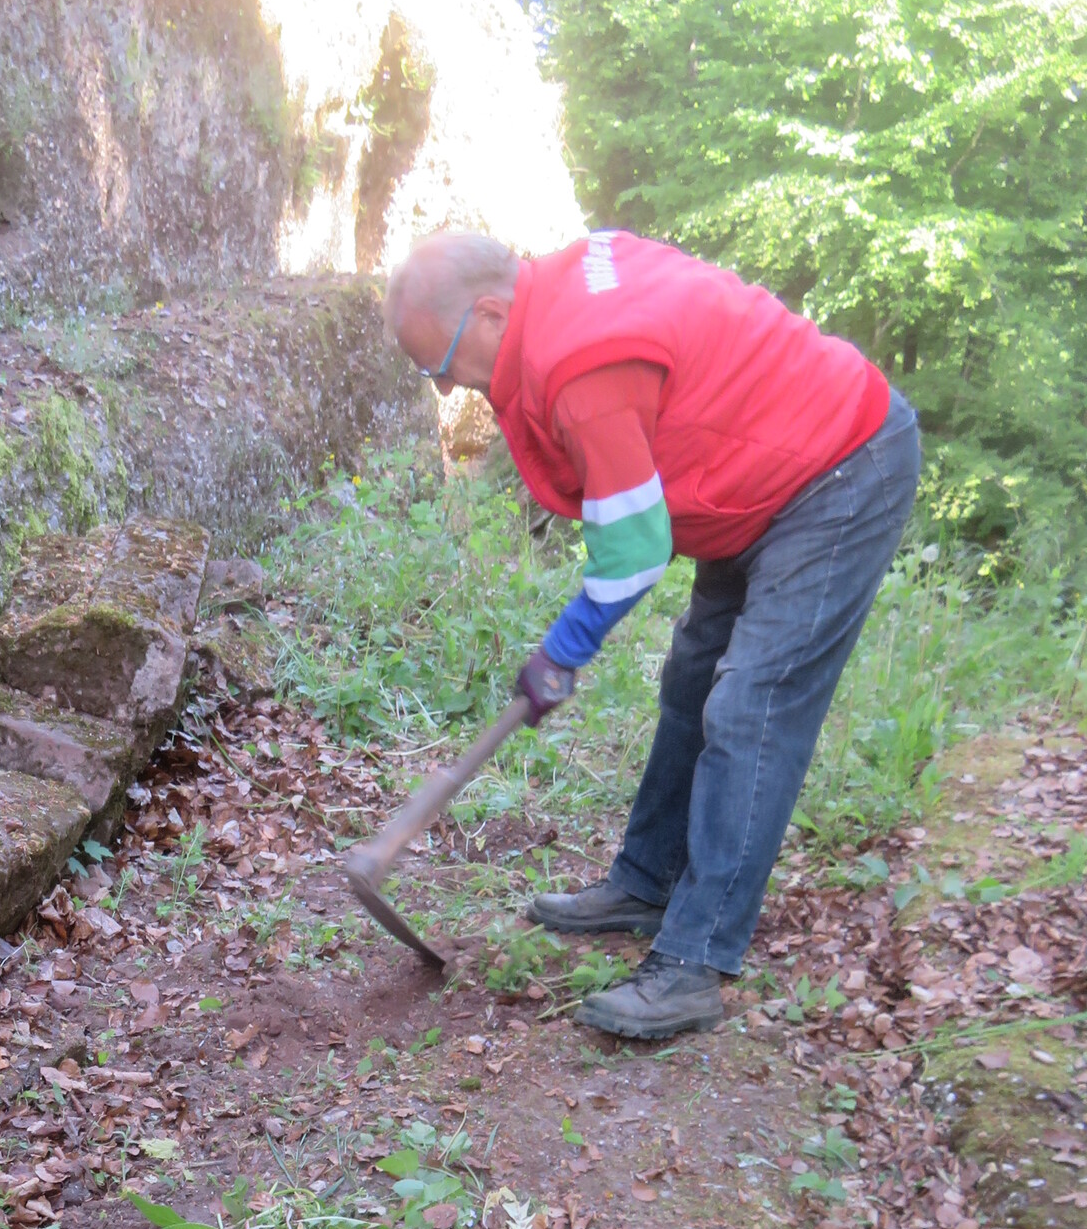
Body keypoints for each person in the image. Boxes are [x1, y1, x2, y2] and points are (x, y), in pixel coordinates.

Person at [384, 228, 920, 1038]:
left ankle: (695, 963)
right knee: (693, 675)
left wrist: (562, 652)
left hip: (837, 467)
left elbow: (633, 551)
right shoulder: (561, 282)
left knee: (751, 706)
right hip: (756, 469)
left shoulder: (582, 365)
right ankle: (647, 881)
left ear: (491, 313)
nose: (451, 386)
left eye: (445, 366)